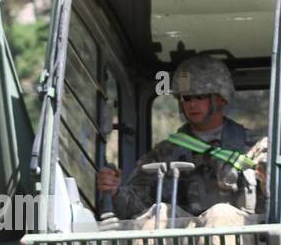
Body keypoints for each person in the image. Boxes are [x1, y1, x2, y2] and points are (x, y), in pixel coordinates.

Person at [97, 54, 267, 228]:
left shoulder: (255, 147)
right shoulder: (165, 153)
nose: (192, 104)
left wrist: (268, 181)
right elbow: (136, 205)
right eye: (186, 98)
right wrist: (115, 190)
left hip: (243, 243)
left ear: (220, 99)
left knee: (220, 215)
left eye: (200, 96)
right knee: (158, 216)